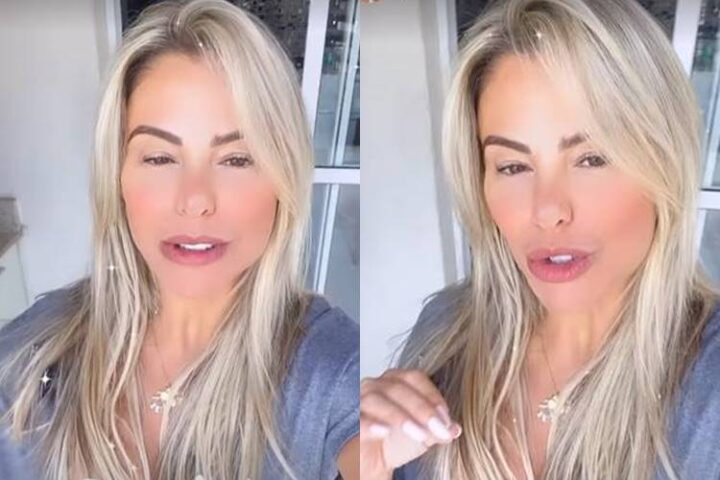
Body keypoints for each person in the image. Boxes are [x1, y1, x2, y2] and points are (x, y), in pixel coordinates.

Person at [360, 0, 720, 478]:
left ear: (664, 165)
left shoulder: (708, 387)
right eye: (513, 166)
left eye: (592, 159)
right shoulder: (447, 331)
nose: (548, 210)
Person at [0, 1, 359, 479]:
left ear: (283, 179)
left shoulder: (331, 372)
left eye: (236, 159)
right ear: (117, 177)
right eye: (159, 158)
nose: (195, 201)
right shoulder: (40, 343)